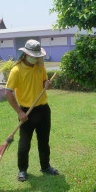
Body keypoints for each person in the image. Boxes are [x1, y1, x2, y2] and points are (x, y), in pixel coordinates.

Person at [5, 39, 58, 182]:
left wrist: (47, 84)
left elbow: (44, 83)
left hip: (43, 109)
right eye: (33, 55)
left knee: (44, 141)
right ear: (26, 54)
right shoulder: (17, 70)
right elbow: (8, 92)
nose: (35, 58)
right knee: (24, 143)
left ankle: (45, 166)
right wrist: (19, 112)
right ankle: (22, 170)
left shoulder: (40, 67)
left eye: (37, 56)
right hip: (26, 112)